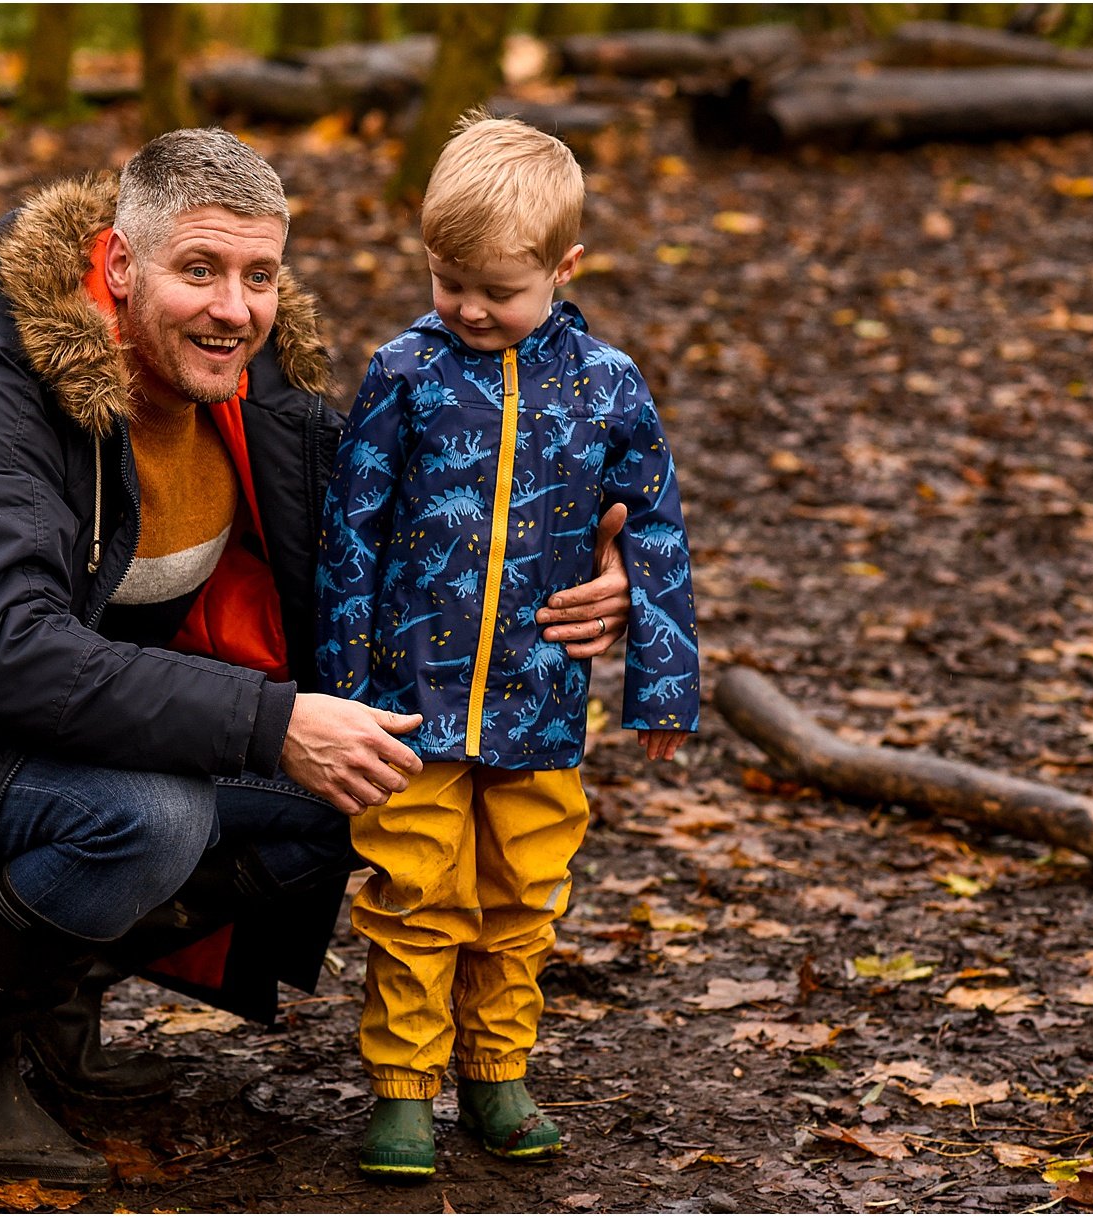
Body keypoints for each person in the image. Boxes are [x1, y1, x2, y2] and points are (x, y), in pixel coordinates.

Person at [0, 128, 636, 1190]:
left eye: (259, 275)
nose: (234, 308)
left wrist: (578, 577)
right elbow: (11, 655)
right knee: (149, 816)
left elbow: (406, 540)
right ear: (120, 266)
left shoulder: (253, 395)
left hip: (47, 744)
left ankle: (44, 990)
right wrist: (272, 723)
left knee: (376, 785)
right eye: (200, 270)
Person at [317, 113, 700, 1179]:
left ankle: (496, 1069)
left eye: (497, 288)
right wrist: (339, 683)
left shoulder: (607, 385)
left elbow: (654, 529)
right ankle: (402, 1084)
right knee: (412, 887)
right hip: (409, 698)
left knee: (521, 891)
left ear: (563, 266)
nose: (468, 308)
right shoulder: (402, 372)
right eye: (447, 280)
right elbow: (350, 526)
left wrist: (661, 687)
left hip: (540, 701)